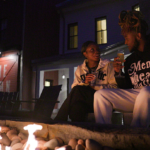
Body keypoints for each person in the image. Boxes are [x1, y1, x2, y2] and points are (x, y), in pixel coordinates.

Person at [94, 10, 150, 127]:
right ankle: (104, 135)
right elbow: (127, 87)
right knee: (100, 95)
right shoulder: (130, 60)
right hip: (137, 95)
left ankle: (135, 136)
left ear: (138, 35)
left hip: (147, 93)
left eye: (127, 38)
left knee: (146, 91)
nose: (125, 42)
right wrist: (118, 72)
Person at [54, 41, 117, 122]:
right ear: (85, 54)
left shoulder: (108, 66)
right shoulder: (80, 69)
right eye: (92, 50)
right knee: (76, 108)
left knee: (77, 89)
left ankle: (59, 119)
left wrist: (94, 87)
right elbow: (74, 88)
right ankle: (79, 132)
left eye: (97, 49)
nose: (96, 52)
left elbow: (114, 87)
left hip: (103, 100)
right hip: (88, 102)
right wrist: (85, 82)